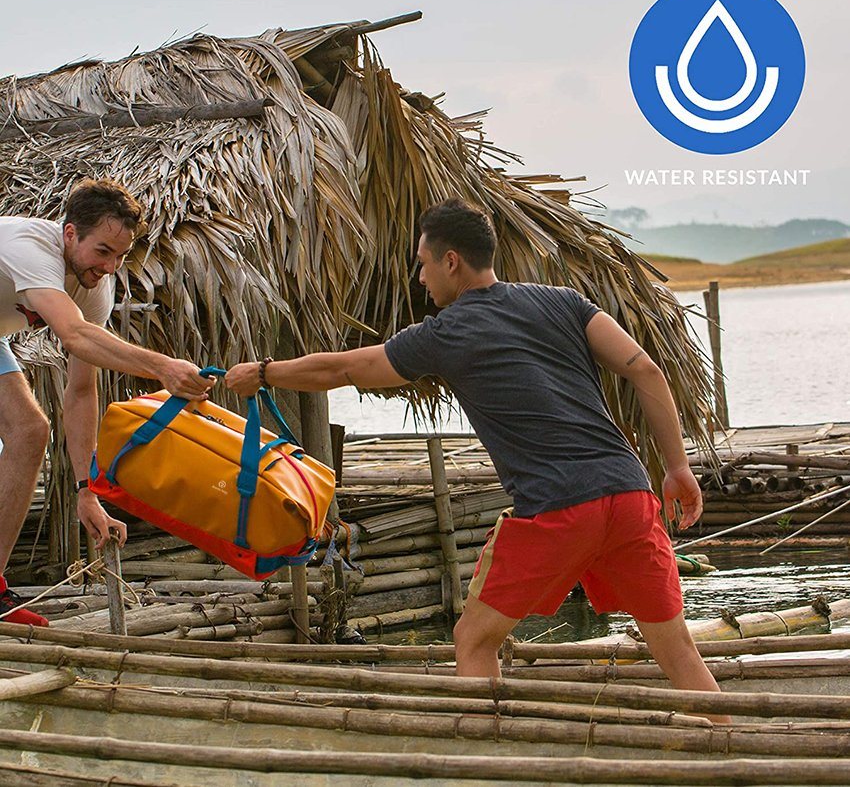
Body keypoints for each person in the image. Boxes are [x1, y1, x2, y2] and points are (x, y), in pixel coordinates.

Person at [225, 196, 729, 722]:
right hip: (630, 496)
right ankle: (733, 756)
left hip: (557, 509)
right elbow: (646, 370)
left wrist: (263, 372)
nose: (420, 278)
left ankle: (491, 759)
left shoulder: (446, 334)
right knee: (678, 653)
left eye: (422, 263)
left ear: (450, 262)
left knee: (473, 639)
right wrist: (676, 468)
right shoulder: (566, 302)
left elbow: (343, 371)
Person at [0, 178, 213, 626]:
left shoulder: (95, 287)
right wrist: (163, 368)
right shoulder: (30, 247)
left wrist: (86, 491)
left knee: (31, 430)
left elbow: (81, 391)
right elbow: (73, 335)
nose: (111, 266)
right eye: (102, 252)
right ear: (70, 233)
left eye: (121, 255)